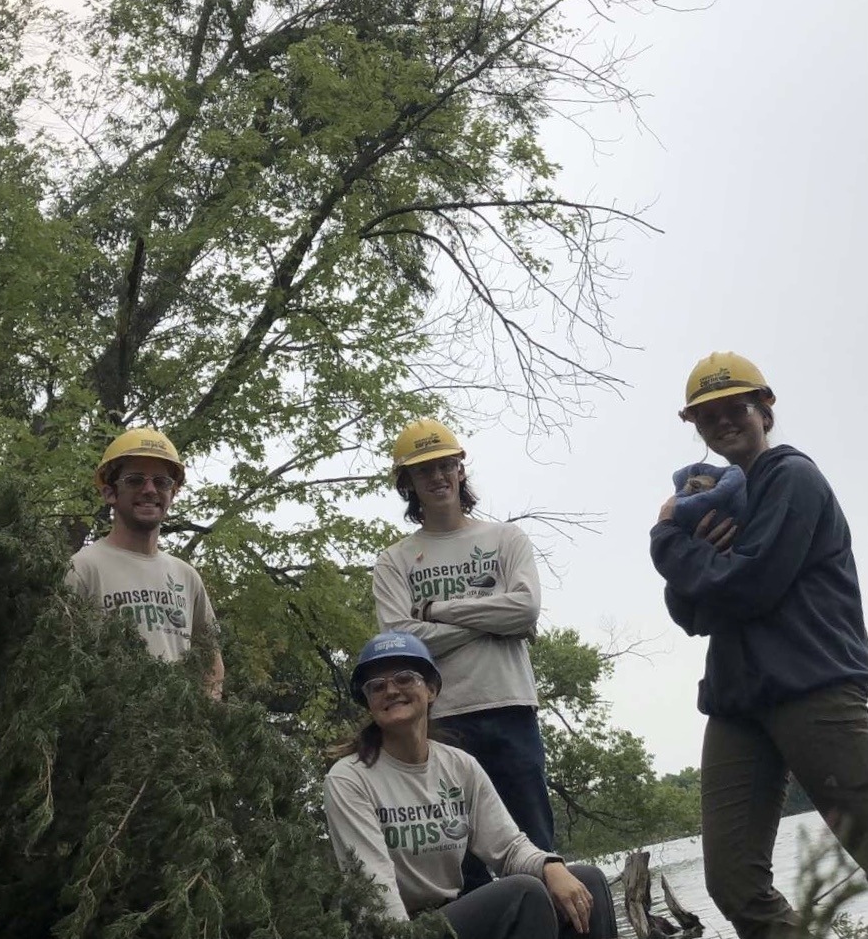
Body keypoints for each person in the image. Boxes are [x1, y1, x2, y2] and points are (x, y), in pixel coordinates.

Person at [651, 351, 868, 939]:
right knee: (733, 883)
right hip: (738, 703)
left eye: (736, 407)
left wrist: (668, 538)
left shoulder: (793, 478)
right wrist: (703, 560)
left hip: (816, 689)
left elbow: (748, 585)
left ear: (764, 409)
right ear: (694, 426)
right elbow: (690, 610)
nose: (723, 422)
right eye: (707, 416)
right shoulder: (718, 498)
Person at [324, 631, 616, 939]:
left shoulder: (459, 766)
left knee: (587, 881)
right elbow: (374, 886)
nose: (391, 690)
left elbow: (508, 848)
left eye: (405, 678)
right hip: (399, 928)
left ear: (432, 689)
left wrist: (551, 867)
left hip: (452, 913)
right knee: (523, 894)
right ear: (368, 702)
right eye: (377, 686)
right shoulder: (350, 779)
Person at [372, 418, 554, 890]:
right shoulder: (395, 559)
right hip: (441, 720)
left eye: (445, 465)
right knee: (462, 863)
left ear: (460, 467)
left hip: (511, 708)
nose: (437, 477)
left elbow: (526, 608)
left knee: (538, 848)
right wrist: (492, 621)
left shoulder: (505, 540)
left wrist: (437, 609)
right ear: (407, 483)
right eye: (423, 470)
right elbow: (402, 643)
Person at [66, 427, 224, 699]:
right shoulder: (82, 568)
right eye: (135, 480)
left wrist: (207, 714)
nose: (150, 490)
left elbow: (210, 657)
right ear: (109, 493)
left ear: (172, 494)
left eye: (161, 482)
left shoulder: (186, 576)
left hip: (175, 736)